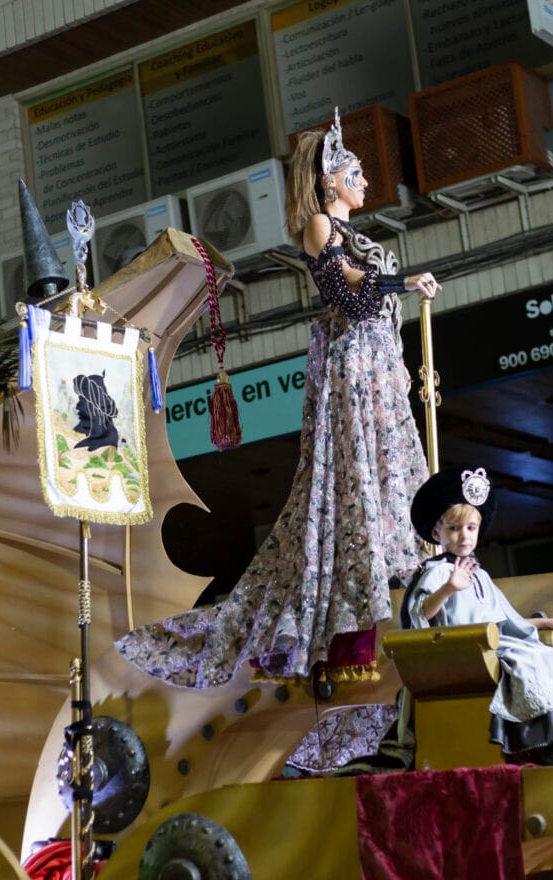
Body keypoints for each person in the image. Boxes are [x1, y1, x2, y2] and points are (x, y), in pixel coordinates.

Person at [114, 109, 440, 689]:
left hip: (377, 363)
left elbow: (373, 303)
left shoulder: (357, 236)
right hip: (350, 361)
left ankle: (402, 569)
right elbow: (351, 294)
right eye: (356, 172)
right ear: (330, 180)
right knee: (353, 470)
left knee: (390, 466)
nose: (366, 180)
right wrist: (403, 282)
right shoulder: (320, 227)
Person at [405, 466, 553, 765]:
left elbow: (505, 621)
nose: (464, 536)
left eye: (471, 528)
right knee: (527, 663)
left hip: (494, 641)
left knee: (549, 656)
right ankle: (547, 744)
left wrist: (544, 622)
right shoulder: (437, 573)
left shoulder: (479, 574)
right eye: (454, 528)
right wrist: (448, 588)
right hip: (464, 648)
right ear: (437, 533)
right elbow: (419, 614)